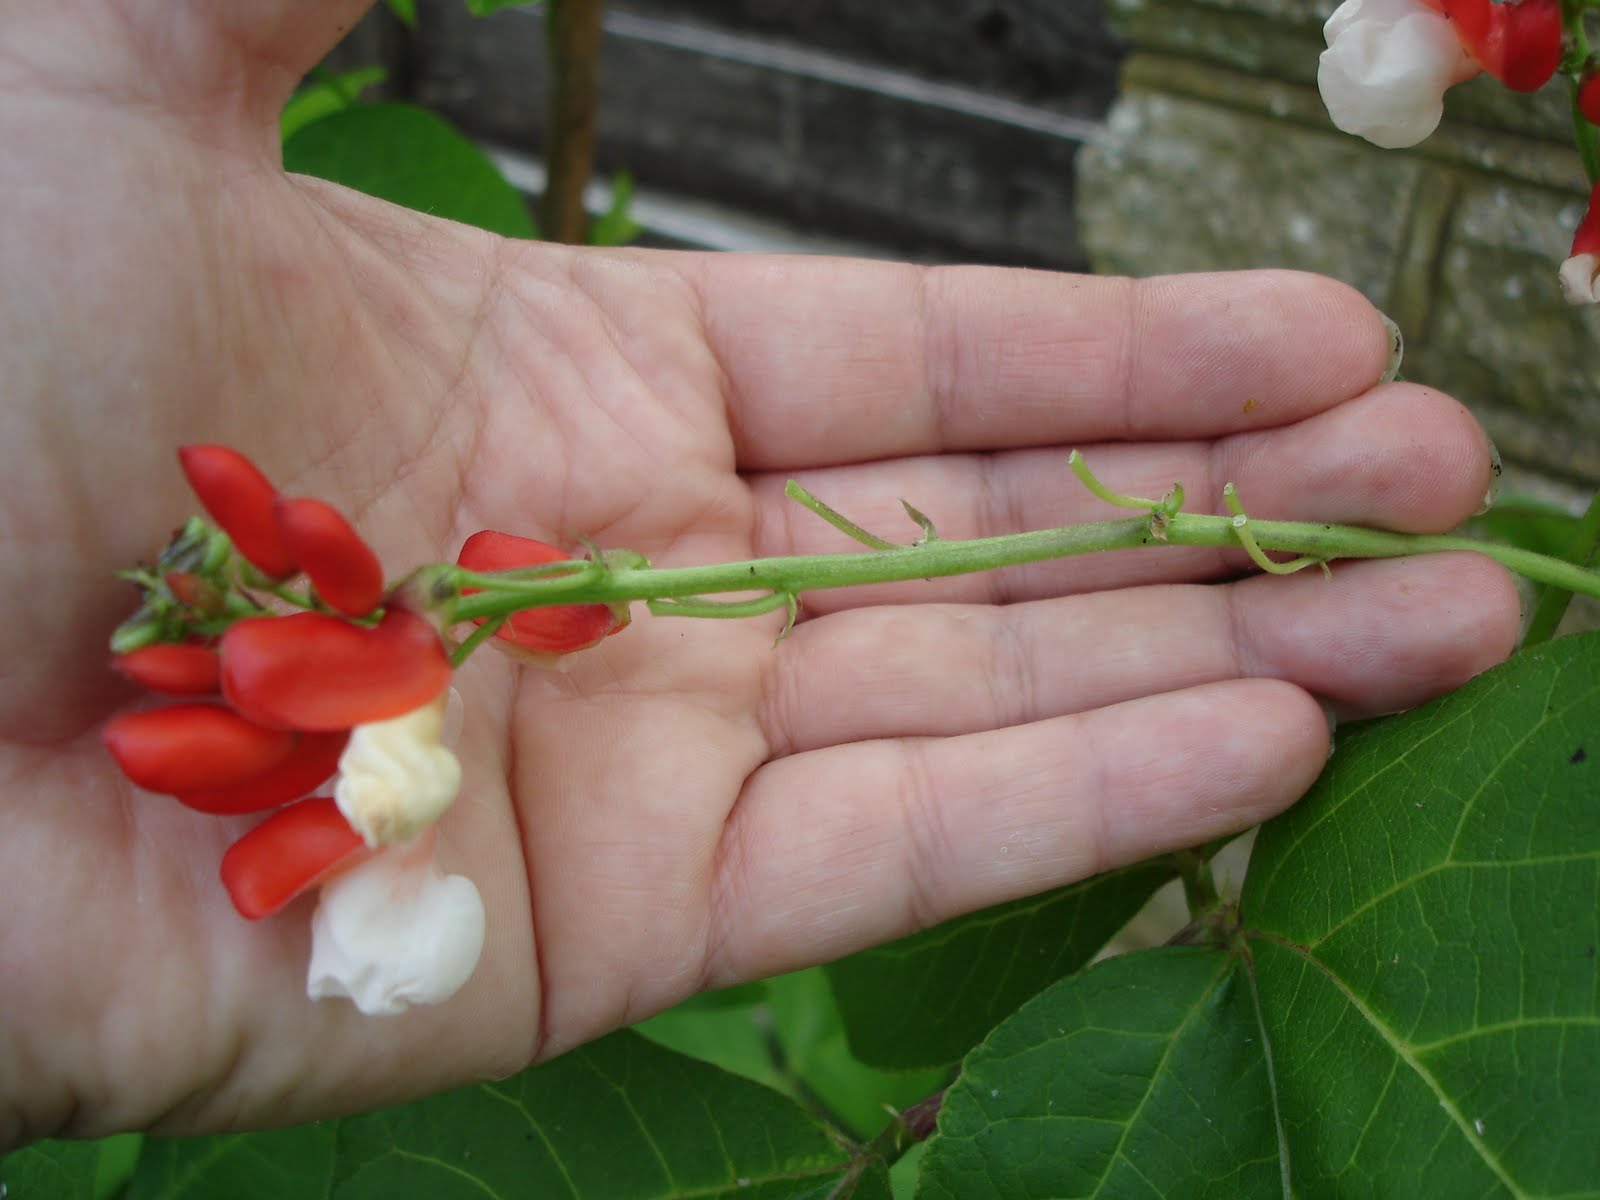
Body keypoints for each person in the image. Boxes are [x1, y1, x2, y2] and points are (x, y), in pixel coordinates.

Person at [0, 0, 1518, 1151]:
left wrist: (418, 667)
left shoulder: (428, 627)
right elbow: (319, 690)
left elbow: (365, 658)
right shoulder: (411, 648)